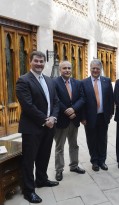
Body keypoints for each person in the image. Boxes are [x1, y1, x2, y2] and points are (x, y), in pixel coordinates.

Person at [16, 51, 59, 203]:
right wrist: (44, 119)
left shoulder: (49, 80)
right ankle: (29, 191)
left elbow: (55, 101)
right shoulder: (23, 80)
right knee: (29, 160)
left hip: (49, 126)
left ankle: (42, 179)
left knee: (44, 156)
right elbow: (28, 106)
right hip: (32, 128)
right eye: (36, 61)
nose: (39, 64)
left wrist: (53, 117)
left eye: (42, 61)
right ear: (30, 61)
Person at [53, 61, 85, 181]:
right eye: (64, 68)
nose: (67, 70)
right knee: (59, 147)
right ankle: (59, 170)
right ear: (60, 70)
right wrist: (66, 110)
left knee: (74, 145)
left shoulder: (77, 83)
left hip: (74, 119)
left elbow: (82, 98)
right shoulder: (55, 82)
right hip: (61, 120)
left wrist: (73, 109)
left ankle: (74, 166)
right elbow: (55, 99)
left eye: (69, 68)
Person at [81, 59, 114, 171]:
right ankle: (94, 161)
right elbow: (82, 101)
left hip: (103, 116)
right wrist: (83, 117)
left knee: (102, 139)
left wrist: (110, 113)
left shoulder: (107, 81)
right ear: (90, 69)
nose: (95, 70)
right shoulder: (84, 82)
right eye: (93, 68)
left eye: (97, 68)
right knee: (91, 139)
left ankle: (102, 161)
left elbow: (110, 98)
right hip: (89, 117)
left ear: (100, 69)